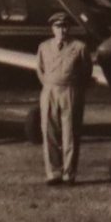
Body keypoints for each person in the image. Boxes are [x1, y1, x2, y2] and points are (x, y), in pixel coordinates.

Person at [35, 11, 90, 188]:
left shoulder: (79, 47)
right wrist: (49, 85)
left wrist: (72, 86)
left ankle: (69, 174)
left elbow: (86, 72)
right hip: (49, 90)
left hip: (70, 90)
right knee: (48, 131)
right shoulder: (43, 47)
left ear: (69, 28)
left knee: (70, 133)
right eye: (58, 26)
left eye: (65, 26)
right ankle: (53, 172)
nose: (62, 30)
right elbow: (40, 69)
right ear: (52, 29)